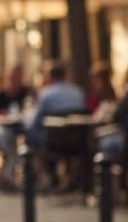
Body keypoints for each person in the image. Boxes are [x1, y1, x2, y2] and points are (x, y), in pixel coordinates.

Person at [24, 59, 87, 190]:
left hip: (52, 142)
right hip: (78, 140)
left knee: (32, 140)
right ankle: (70, 179)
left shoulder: (46, 94)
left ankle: (49, 178)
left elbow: (33, 122)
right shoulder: (78, 91)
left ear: (49, 76)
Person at [0, 64, 33, 189]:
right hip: (4, 128)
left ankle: (19, 173)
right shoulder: (0, 95)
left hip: (22, 127)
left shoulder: (27, 93)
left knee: (28, 139)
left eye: (17, 77)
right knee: (7, 139)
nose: (14, 80)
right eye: (12, 77)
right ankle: (9, 174)